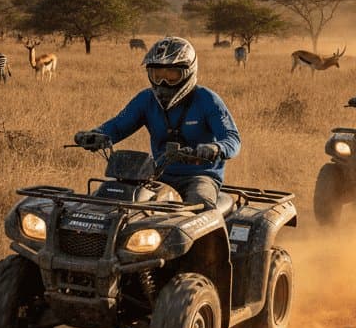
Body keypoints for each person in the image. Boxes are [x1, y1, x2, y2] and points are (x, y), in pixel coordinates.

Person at [74, 36, 241, 209]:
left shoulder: (208, 100)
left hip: (199, 177)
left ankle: (215, 235)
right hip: (156, 174)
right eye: (157, 75)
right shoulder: (146, 99)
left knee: (200, 208)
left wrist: (216, 148)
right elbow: (117, 126)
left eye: (172, 75)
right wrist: (95, 135)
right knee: (106, 204)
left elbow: (233, 139)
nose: (163, 82)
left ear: (189, 71)